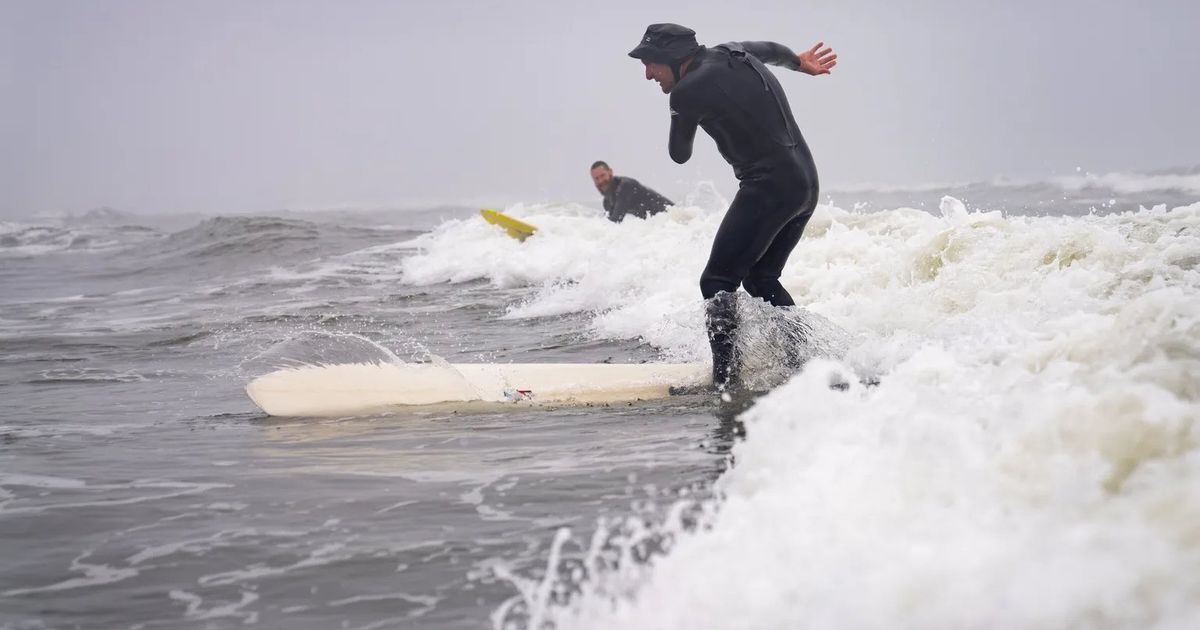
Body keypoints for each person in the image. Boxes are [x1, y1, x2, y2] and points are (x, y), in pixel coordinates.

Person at [628, 23, 837, 390]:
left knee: (717, 281)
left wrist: (679, 110)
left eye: (651, 65)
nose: (647, 75)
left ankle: (725, 382)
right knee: (761, 278)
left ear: (674, 60)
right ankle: (803, 365)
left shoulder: (687, 92)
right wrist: (800, 63)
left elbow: (679, 155)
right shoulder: (735, 50)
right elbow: (772, 47)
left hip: (768, 187)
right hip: (804, 184)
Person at [590, 160, 674, 222]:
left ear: (610, 172)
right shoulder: (607, 201)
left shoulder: (625, 186)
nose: (600, 181)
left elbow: (615, 220)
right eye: (596, 178)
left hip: (675, 217)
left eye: (603, 175)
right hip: (663, 225)